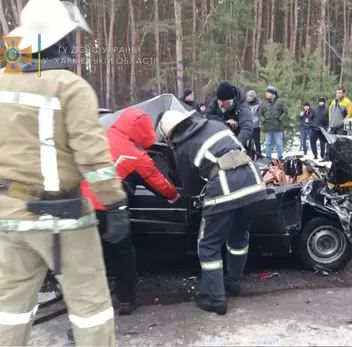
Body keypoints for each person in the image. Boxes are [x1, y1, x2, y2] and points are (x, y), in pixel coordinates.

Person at [0, 0, 129, 345]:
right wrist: (114, 204)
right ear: (59, 41)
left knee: (9, 310)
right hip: (63, 218)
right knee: (91, 309)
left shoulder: (2, 82)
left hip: (9, 218)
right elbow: (93, 156)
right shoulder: (69, 86)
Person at [65, 108, 180, 344]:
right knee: (123, 253)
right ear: (140, 130)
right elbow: (159, 183)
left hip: (77, 208)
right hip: (109, 211)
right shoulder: (135, 155)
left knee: (86, 264)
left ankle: (81, 323)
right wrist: (174, 196)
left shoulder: (97, 135)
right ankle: (126, 300)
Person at [157, 110, 267, 315]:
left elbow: (191, 189)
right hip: (253, 183)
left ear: (171, 135)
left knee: (208, 245)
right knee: (239, 236)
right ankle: (233, 283)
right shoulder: (215, 125)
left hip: (225, 190)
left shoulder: (185, 148)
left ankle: (215, 299)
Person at [205, 81, 253, 147]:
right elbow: (208, 115)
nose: (221, 104)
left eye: (224, 102)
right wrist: (225, 122)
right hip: (218, 140)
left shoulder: (242, 107)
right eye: (219, 101)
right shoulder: (216, 101)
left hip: (236, 139)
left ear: (231, 100)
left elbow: (247, 128)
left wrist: (236, 145)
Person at [260, 85, 288, 160]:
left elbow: (285, 112)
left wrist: (280, 119)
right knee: (268, 144)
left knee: (279, 144)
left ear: (272, 94)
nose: (266, 94)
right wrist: (264, 120)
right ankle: (268, 158)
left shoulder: (280, 101)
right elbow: (260, 114)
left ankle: (280, 158)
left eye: (268, 93)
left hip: (278, 127)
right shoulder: (263, 103)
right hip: (267, 127)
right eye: (266, 93)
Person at [247, 90, 262, 154]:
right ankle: (250, 153)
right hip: (248, 125)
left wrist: (256, 121)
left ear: (253, 97)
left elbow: (260, 114)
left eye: (250, 96)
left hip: (256, 125)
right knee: (249, 141)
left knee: (257, 141)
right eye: (247, 96)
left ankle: (259, 153)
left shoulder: (259, 103)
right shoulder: (245, 104)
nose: (248, 97)